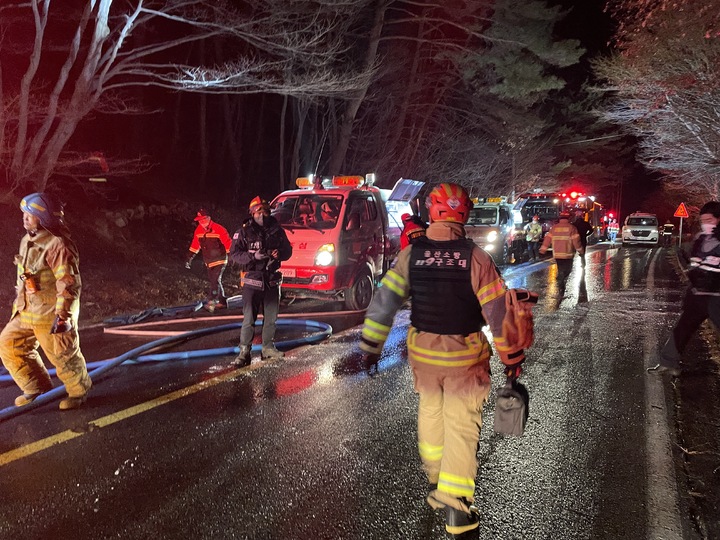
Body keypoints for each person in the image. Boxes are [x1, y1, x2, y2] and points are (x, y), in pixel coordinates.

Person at [359, 183, 529, 539]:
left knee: (431, 413)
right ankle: (457, 509)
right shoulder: (476, 258)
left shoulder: (411, 254)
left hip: (423, 356)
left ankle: (435, 475)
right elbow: (498, 314)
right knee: (463, 427)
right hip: (464, 359)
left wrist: (371, 346)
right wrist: (511, 358)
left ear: (432, 210)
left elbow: (384, 302)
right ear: (463, 214)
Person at [0, 193, 92, 410]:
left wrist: (63, 316)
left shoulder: (57, 245)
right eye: (24, 214)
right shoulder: (27, 240)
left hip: (51, 313)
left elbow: (68, 282)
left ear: (44, 218)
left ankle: (79, 392)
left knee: (62, 354)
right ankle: (36, 387)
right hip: (27, 311)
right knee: (9, 344)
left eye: (30, 215)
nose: (25, 219)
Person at [649, 202, 720, 377]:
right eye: (703, 220)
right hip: (697, 294)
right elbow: (694, 263)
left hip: (717, 296)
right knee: (683, 328)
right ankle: (668, 363)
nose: (706, 224)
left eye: (709, 220)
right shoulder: (700, 238)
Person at [229, 196, 292, 366]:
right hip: (252, 280)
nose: (261, 215)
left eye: (264, 211)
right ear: (251, 213)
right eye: (258, 211)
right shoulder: (243, 232)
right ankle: (244, 352)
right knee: (249, 319)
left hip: (271, 280)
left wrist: (280, 253)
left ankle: (268, 348)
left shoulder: (277, 230)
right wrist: (252, 256)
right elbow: (234, 254)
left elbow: (288, 251)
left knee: (271, 318)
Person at [185, 208, 232, 310]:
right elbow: (195, 245)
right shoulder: (198, 230)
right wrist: (189, 257)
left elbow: (228, 242)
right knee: (214, 281)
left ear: (209, 218)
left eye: (203, 219)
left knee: (215, 280)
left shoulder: (219, 229)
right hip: (209, 261)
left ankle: (213, 301)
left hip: (220, 259)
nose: (201, 222)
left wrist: (231, 255)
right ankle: (222, 301)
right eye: (199, 220)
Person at [539, 212, 583, 283]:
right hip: (568, 255)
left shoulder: (554, 228)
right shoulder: (572, 228)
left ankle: (560, 280)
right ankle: (561, 281)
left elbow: (547, 240)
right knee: (568, 270)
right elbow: (576, 242)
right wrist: (581, 251)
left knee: (561, 269)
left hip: (557, 254)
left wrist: (542, 251)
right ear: (568, 218)